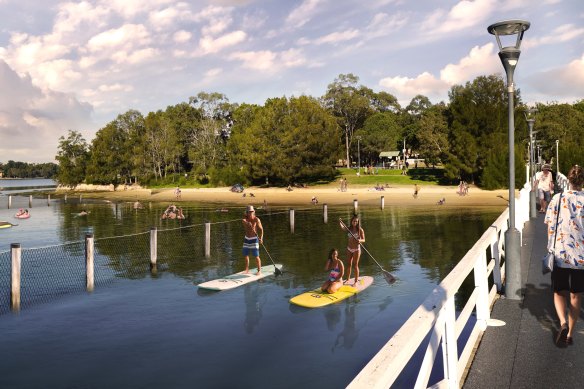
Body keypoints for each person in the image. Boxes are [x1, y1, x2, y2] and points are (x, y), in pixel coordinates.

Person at [545, 165, 584, 345]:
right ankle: (570, 334)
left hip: (560, 253)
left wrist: (550, 248)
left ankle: (562, 323)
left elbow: (550, 225)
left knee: (559, 291)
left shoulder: (557, 198)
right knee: (576, 295)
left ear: (568, 180)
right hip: (581, 257)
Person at [340, 214, 365, 285]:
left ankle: (356, 281)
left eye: (356, 221)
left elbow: (364, 239)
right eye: (354, 221)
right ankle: (347, 279)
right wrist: (340, 222)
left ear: (358, 222)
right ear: (351, 221)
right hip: (349, 248)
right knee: (348, 264)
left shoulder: (360, 230)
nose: (355, 223)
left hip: (356, 249)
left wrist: (360, 240)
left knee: (355, 265)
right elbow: (343, 228)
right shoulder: (349, 229)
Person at [242, 205, 263, 275]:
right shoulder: (244, 219)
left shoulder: (256, 219)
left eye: (252, 212)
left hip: (254, 239)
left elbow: (261, 229)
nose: (250, 213)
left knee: (256, 256)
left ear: (254, 212)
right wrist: (247, 223)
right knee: (246, 255)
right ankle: (247, 270)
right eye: (249, 212)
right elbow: (244, 221)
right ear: (247, 213)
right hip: (247, 239)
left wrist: (261, 238)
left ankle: (259, 270)